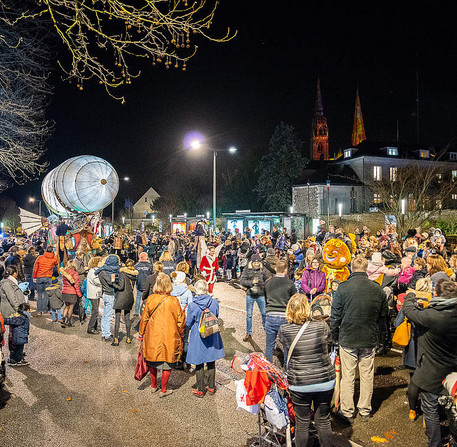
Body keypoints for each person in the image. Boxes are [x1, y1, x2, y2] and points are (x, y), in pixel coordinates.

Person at [331, 256, 388, 423]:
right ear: (367, 269)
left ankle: (347, 411)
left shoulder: (343, 288)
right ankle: (364, 409)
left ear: (351, 268)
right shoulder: (377, 289)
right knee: (366, 375)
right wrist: (382, 338)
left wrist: (334, 336)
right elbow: (383, 316)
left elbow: (336, 315)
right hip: (369, 338)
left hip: (348, 337)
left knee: (348, 376)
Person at [403, 278, 457, 447]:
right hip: (453, 368)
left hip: (432, 370)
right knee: (452, 408)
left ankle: (435, 443)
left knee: (430, 408)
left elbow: (409, 311)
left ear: (436, 294)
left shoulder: (433, 315)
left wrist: (411, 296)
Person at [278, 294, 335, 447]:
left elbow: (280, 349)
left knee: (302, 422)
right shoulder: (322, 326)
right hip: (324, 380)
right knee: (323, 420)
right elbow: (329, 345)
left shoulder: (284, 329)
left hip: (299, 382)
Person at [139, 273, 185, 397]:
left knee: (152, 361)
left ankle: (154, 385)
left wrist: (141, 333)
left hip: (152, 333)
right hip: (169, 335)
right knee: (167, 363)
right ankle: (163, 389)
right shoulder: (173, 300)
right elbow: (180, 320)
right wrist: (181, 332)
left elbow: (144, 318)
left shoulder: (151, 299)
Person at [394, 278, 432, 421]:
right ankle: (428, 411)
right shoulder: (433, 303)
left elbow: (397, 322)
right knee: (429, 378)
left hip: (412, 345)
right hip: (429, 345)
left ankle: (412, 410)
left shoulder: (410, 304)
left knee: (414, 379)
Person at [185, 280, 225, 398]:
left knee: (199, 362)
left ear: (196, 290)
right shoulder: (214, 302)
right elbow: (216, 315)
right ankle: (211, 387)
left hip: (199, 336)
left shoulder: (193, 305)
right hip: (212, 333)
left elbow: (188, 322)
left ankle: (201, 389)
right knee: (211, 360)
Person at [264, 259, 296, 363]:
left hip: (270, 313)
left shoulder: (268, 283)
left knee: (269, 344)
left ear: (276, 269)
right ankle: (287, 368)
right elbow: (293, 301)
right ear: (286, 270)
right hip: (285, 315)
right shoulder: (290, 283)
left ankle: (268, 370)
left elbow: (264, 298)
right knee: (287, 344)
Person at [240, 253, 269, 342]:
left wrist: (262, 284)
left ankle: (267, 331)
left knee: (264, 313)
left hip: (261, 295)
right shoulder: (247, 269)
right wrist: (251, 282)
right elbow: (242, 280)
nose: (256, 264)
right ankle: (248, 332)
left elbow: (268, 281)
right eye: (255, 262)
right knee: (249, 315)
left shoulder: (263, 270)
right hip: (250, 295)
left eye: (258, 262)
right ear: (251, 262)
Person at [112, 259, 138, 346]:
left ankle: (116, 338)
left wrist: (113, 283)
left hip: (121, 297)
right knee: (127, 318)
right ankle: (128, 337)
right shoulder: (134, 275)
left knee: (117, 318)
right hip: (129, 297)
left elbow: (121, 287)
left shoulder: (122, 274)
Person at [96, 255, 121, 342]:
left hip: (105, 294)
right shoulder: (107, 272)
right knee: (108, 316)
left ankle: (104, 333)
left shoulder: (102, 270)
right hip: (110, 294)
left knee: (105, 315)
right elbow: (111, 282)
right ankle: (106, 335)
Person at [32, 246, 59, 314]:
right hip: (48, 278)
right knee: (46, 294)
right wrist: (55, 254)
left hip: (39, 277)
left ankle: (39, 309)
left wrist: (34, 277)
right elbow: (57, 262)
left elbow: (35, 268)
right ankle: (44, 309)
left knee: (39, 294)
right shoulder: (53, 259)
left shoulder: (40, 258)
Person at [60, 259, 82, 327]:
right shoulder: (75, 273)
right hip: (72, 293)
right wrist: (79, 294)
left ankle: (63, 319)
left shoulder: (64, 272)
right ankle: (69, 322)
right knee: (71, 307)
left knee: (66, 306)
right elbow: (76, 285)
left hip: (65, 292)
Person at [86, 257, 102, 335]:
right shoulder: (93, 271)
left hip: (96, 293)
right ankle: (90, 328)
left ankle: (94, 326)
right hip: (93, 293)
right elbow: (96, 281)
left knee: (96, 309)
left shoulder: (95, 270)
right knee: (95, 310)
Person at [134, 252, 152, 316]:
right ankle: (146, 310)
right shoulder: (150, 266)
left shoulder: (136, 266)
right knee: (147, 298)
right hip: (147, 284)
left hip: (139, 283)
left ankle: (136, 311)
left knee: (138, 297)